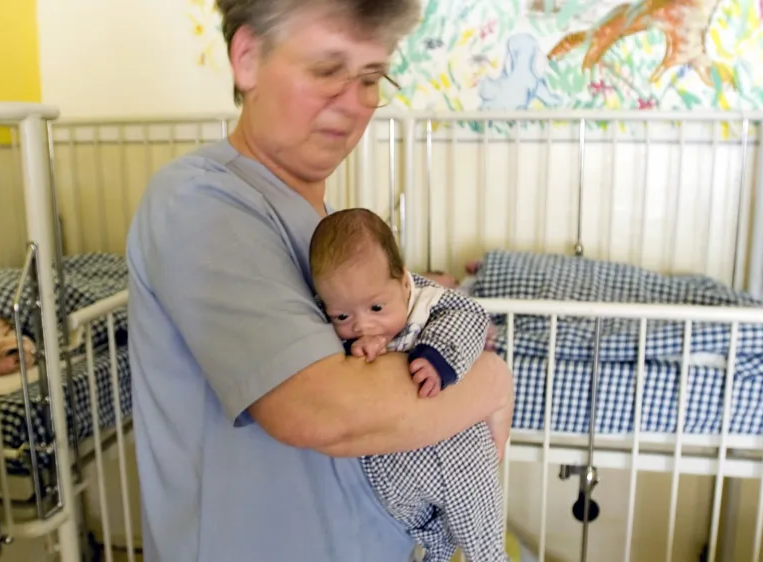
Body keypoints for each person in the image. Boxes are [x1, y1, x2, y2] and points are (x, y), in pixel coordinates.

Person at [125, 0, 515, 560]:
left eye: (371, 77)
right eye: (327, 69)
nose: (353, 102)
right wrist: (490, 381)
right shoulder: (199, 201)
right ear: (248, 57)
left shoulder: (319, 227)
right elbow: (323, 408)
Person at [309, 207, 509, 562]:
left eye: (375, 307)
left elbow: (470, 317)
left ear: (403, 283)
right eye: (343, 316)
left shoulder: (428, 303)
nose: (362, 325)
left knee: (482, 538)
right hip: (397, 466)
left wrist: (437, 357)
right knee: (429, 539)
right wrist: (357, 352)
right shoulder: (346, 337)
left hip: (459, 450)